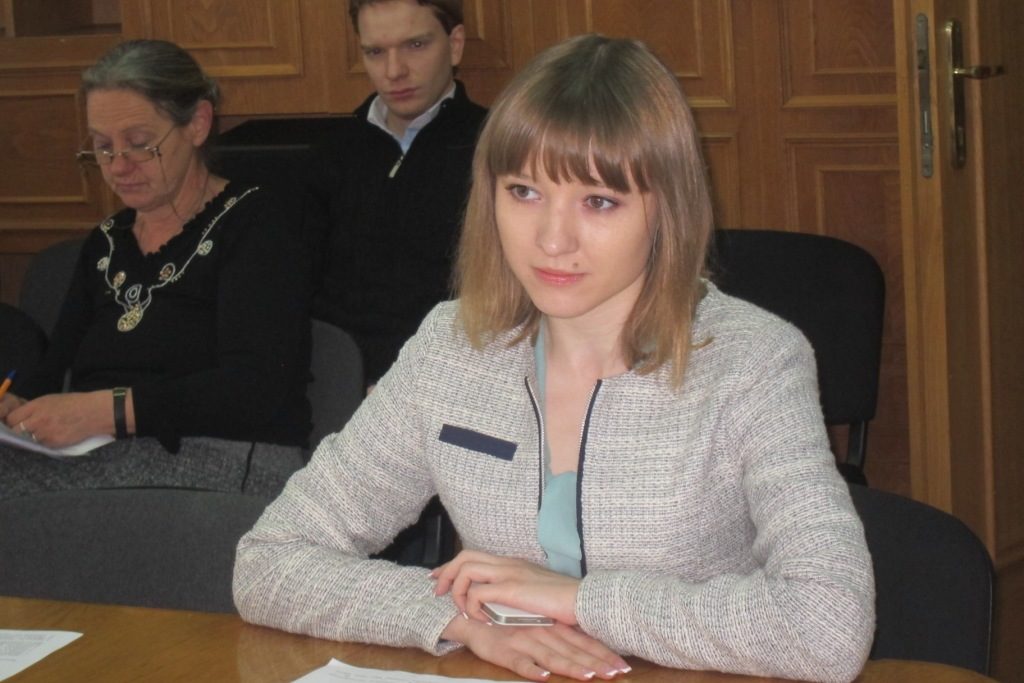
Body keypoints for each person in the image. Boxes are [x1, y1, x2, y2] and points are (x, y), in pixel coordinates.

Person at [233, 34, 875, 683]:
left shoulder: (754, 361)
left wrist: (577, 600)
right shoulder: (453, 347)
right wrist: (460, 619)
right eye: (524, 191)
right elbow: (269, 559)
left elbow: (827, 624)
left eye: (599, 201)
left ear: (667, 208)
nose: (552, 239)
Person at [0, 40, 312, 499]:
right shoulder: (106, 242)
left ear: (198, 123)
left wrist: (107, 412)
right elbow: (50, 375)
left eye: (140, 144)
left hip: (223, 456)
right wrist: (16, 405)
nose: (119, 167)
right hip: (103, 457)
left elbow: (255, 389)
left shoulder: (256, 224)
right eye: (103, 148)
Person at [306, 0, 487, 385]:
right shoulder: (331, 154)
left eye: (415, 45)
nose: (394, 71)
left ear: (455, 44)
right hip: (338, 381)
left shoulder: (497, 148)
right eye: (375, 52)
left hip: (452, 377)